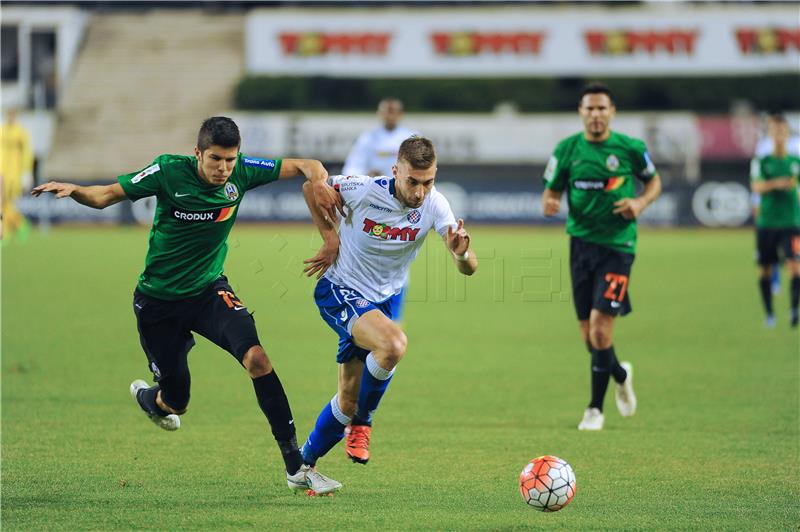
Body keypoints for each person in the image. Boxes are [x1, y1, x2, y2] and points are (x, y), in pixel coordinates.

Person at [31, 117, 344, 494]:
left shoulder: (242, 172)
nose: (223, 169)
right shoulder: (167, 171)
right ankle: (153, 400)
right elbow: (107, 195)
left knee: (258, 358)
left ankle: (297, 467)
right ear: (197, 153)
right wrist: (76, 190)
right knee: (177, 401)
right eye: (215, 159)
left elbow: (307, 166)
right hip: (158, 302)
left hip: (209, 292)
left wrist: (320, 182)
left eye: (230, 160)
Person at [299, 136, 477, 473]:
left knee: (347, 401)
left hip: (383, 301)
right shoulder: (362, 189)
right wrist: (329, 236)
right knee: (393, 345)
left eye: (428, 182)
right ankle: (364, 423)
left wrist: (461, 252)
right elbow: (312, 187)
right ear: (395, 171)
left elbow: (469, 268)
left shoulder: (435, 205)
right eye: (412, 182)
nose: (420, 192)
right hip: (341, 289)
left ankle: (302, 466)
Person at [542, 83, 662, 431]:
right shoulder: (567, 150)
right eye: (589, 109)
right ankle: (621, 374)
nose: (595, 115)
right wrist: (549, 202)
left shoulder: (630, 149)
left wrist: (640, 202)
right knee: (589, 337)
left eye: (601, 109)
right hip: (580, 246)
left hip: (618, 248)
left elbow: (654, 183)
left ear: (612, 112)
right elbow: (551, 190)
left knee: (599, 329)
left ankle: (594, 409)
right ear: (581, 112)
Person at [750, 113, 800, 328]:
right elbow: (756, 186)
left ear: (787, 133)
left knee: (795, 267)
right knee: (765, 269)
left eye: (782, 131)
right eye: (775, 131)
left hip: (791, 223)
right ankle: (769, 313)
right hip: (767, 223)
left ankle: (793, 311)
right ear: (770, 134)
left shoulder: (795, 162)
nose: (779, 135)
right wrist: (777, 184)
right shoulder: (762, 161)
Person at [342, 98, 417, 178]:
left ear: (401, 114)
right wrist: (366, 174)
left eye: (392, 112)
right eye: (386, 112)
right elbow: (351, 167)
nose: (389, 116)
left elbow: (422, 166)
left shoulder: (412, 138)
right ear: (379, 114)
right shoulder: (367, 138)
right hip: (374, 186)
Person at [1, 108, 34, 243]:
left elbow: (27, 154)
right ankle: (13, 228)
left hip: (14, 175)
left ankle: (17, 226)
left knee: (6, 204)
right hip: (1, 174)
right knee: (4, 205)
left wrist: (27, 173)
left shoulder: (21, 132)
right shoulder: (1, 131)